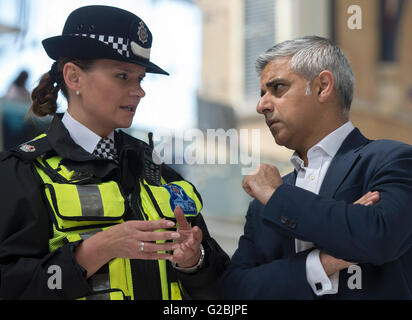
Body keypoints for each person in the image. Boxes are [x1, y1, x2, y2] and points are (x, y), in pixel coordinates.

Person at [0, 5, 228, 300]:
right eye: (123, 76)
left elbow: (222, 285)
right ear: (73, 77)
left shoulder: (163, 173)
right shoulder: (21, 173)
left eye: (140, 79)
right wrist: (93, 251)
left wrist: (194, 262)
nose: (139, 91)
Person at [219, 36, 412, 299]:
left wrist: (278, 198)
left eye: (277, 88)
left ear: (322, 86)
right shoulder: (265, 200)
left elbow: (380, 237)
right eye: (262, 93)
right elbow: (235, 290)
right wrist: (322, 263)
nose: (261, 105)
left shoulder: (393, 160)